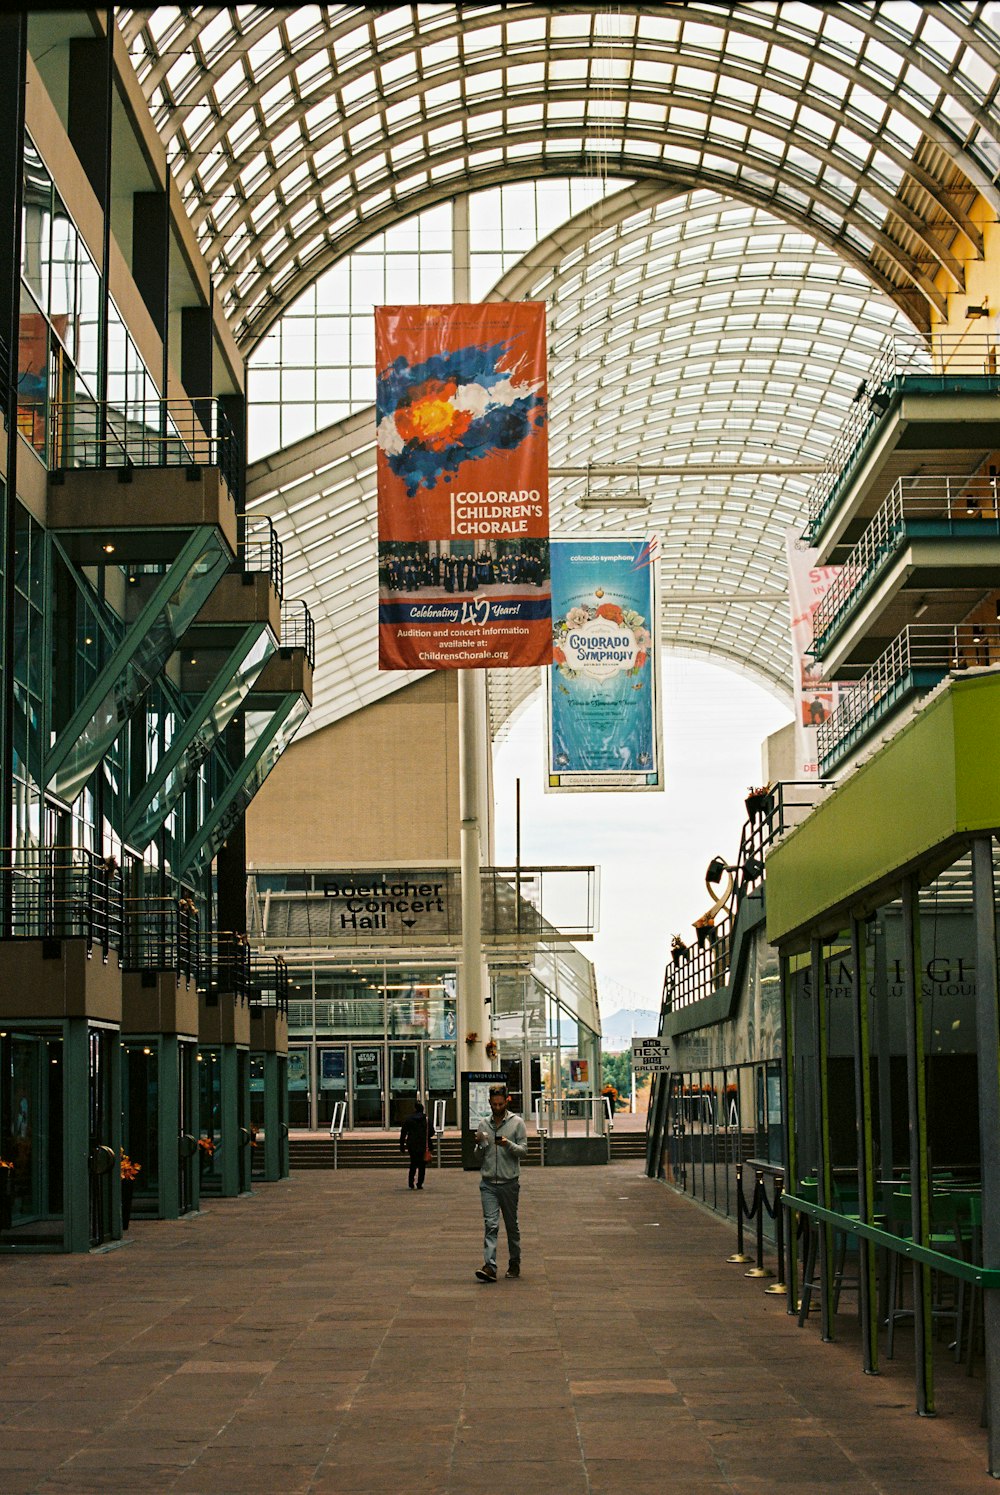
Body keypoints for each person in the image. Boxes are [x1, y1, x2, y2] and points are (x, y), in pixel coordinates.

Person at [474, 1082, 527, 1281]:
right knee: (491, 1224)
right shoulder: (483, 1124)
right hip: (488, 1184)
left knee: (511, 1225)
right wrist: (480, 1144)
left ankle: (514, 1262)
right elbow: (478, 1156)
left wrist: (508, 1144)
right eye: (494, 1105)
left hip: (509, 1183)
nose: (497, 1108)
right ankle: (490, 1266)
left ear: (506, 1101)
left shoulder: (517, 1123)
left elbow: (524, 1151)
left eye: (500, 1104)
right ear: (489, 1102)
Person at [399, 1101, 433, 1189]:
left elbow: (403, 1133)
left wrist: (402, 1145)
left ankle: (411, 1182)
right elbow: (432, 1132)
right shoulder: (426, 1119)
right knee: (422, 1165)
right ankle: (419, 1183)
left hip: (412, 1145)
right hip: (423, 1145)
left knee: (413, 1163)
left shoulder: (409, 1119)